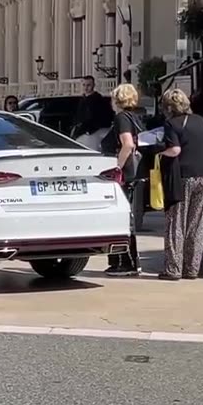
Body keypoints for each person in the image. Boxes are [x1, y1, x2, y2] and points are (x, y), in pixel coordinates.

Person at [158, 88, 203, 280]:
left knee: (176, 222)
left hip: (182, 176)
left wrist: (159, 153)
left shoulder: (172, 123)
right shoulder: (200, 121)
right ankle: (192, 268)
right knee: (196, 224)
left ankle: (173, 269)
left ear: (168, 107)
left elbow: (175, 150)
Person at [102, 84, 144, 276]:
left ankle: (125, 261)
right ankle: (130, 260)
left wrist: (116, 167)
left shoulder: (121, 118)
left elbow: (127, 144)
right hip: (133, 173)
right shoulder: (134, 117)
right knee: (127, 216)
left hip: (124, 174)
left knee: (122, 218)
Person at [73, 75, 113, 148]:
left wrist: (89, 129)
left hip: (93, 132)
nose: (86, 87)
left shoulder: (98, 99)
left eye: (88, 85)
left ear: (93, 85)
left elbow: (98, 117)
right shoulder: (82, 99)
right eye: (84, 85)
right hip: (84, 131)